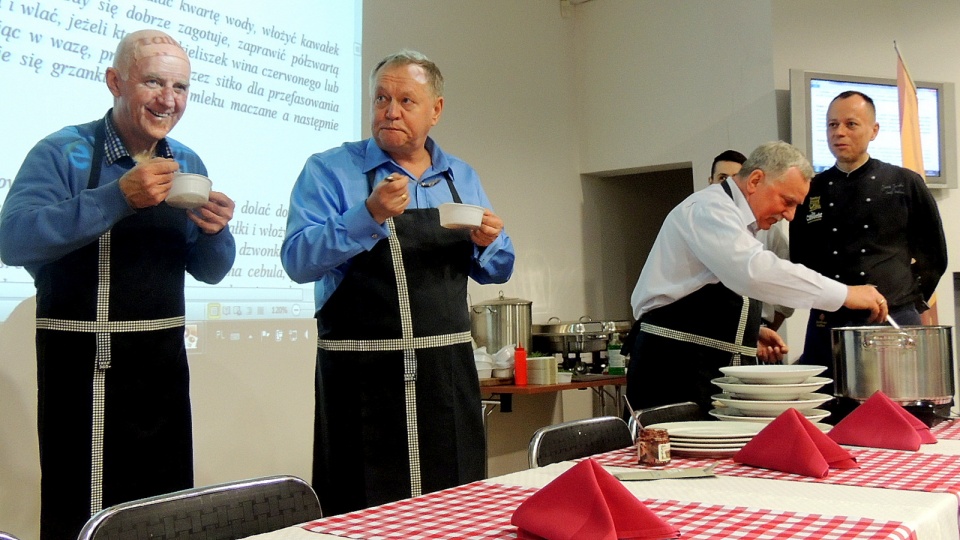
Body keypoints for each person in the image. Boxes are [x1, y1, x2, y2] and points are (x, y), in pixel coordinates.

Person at [0, 29, 236, 539]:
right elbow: (13, 240)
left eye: (180, 87)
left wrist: (218, 234)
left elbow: (211, 269)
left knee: (163, 514)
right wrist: (117, 198)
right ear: (114, 81)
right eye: (153, 82)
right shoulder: (63, 152)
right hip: (82, 376)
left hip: (163, 375)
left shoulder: (187, 162)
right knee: (86, 515)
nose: (168, 100)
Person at [281, 50, 515, 515]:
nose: (390, 110)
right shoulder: (329, 171)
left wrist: (489, 242)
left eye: (406, 100)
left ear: (436, 110)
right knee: (363, 510)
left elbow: (498, 269)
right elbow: (298, 260)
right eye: (381, 98)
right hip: (360, 381)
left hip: (445, 379)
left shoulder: (460, 176)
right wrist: (366, 216)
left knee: (454, 509)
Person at [625, 141, 888, 416]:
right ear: (755, 180)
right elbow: (753, 272)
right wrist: (845, 294)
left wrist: (747, 332)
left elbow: (702, 287)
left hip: (703, 367)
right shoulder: (709, 209)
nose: (790, 215)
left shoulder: (740, 220)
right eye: (787, 201)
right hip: (672, 370)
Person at [790, 91, 947, 377]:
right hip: (829, 320)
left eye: (851, 124)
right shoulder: (811, 188)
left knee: (898, 410)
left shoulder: (905, 183)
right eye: (832, 125)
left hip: (891, 315)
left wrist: (908, 297)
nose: (839, 133)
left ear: (874, 130)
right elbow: (800, 256)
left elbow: (934, 255)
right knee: (824, 409)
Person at [709, 150, 794, 332]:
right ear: (711, 181)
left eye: (735, 178)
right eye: (723, 178)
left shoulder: (769, 232)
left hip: (759, 328)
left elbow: (787, 284)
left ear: (750, 183)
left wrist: (768, 328)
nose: (729, 185)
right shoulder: (703, 219)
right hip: (713, 330)